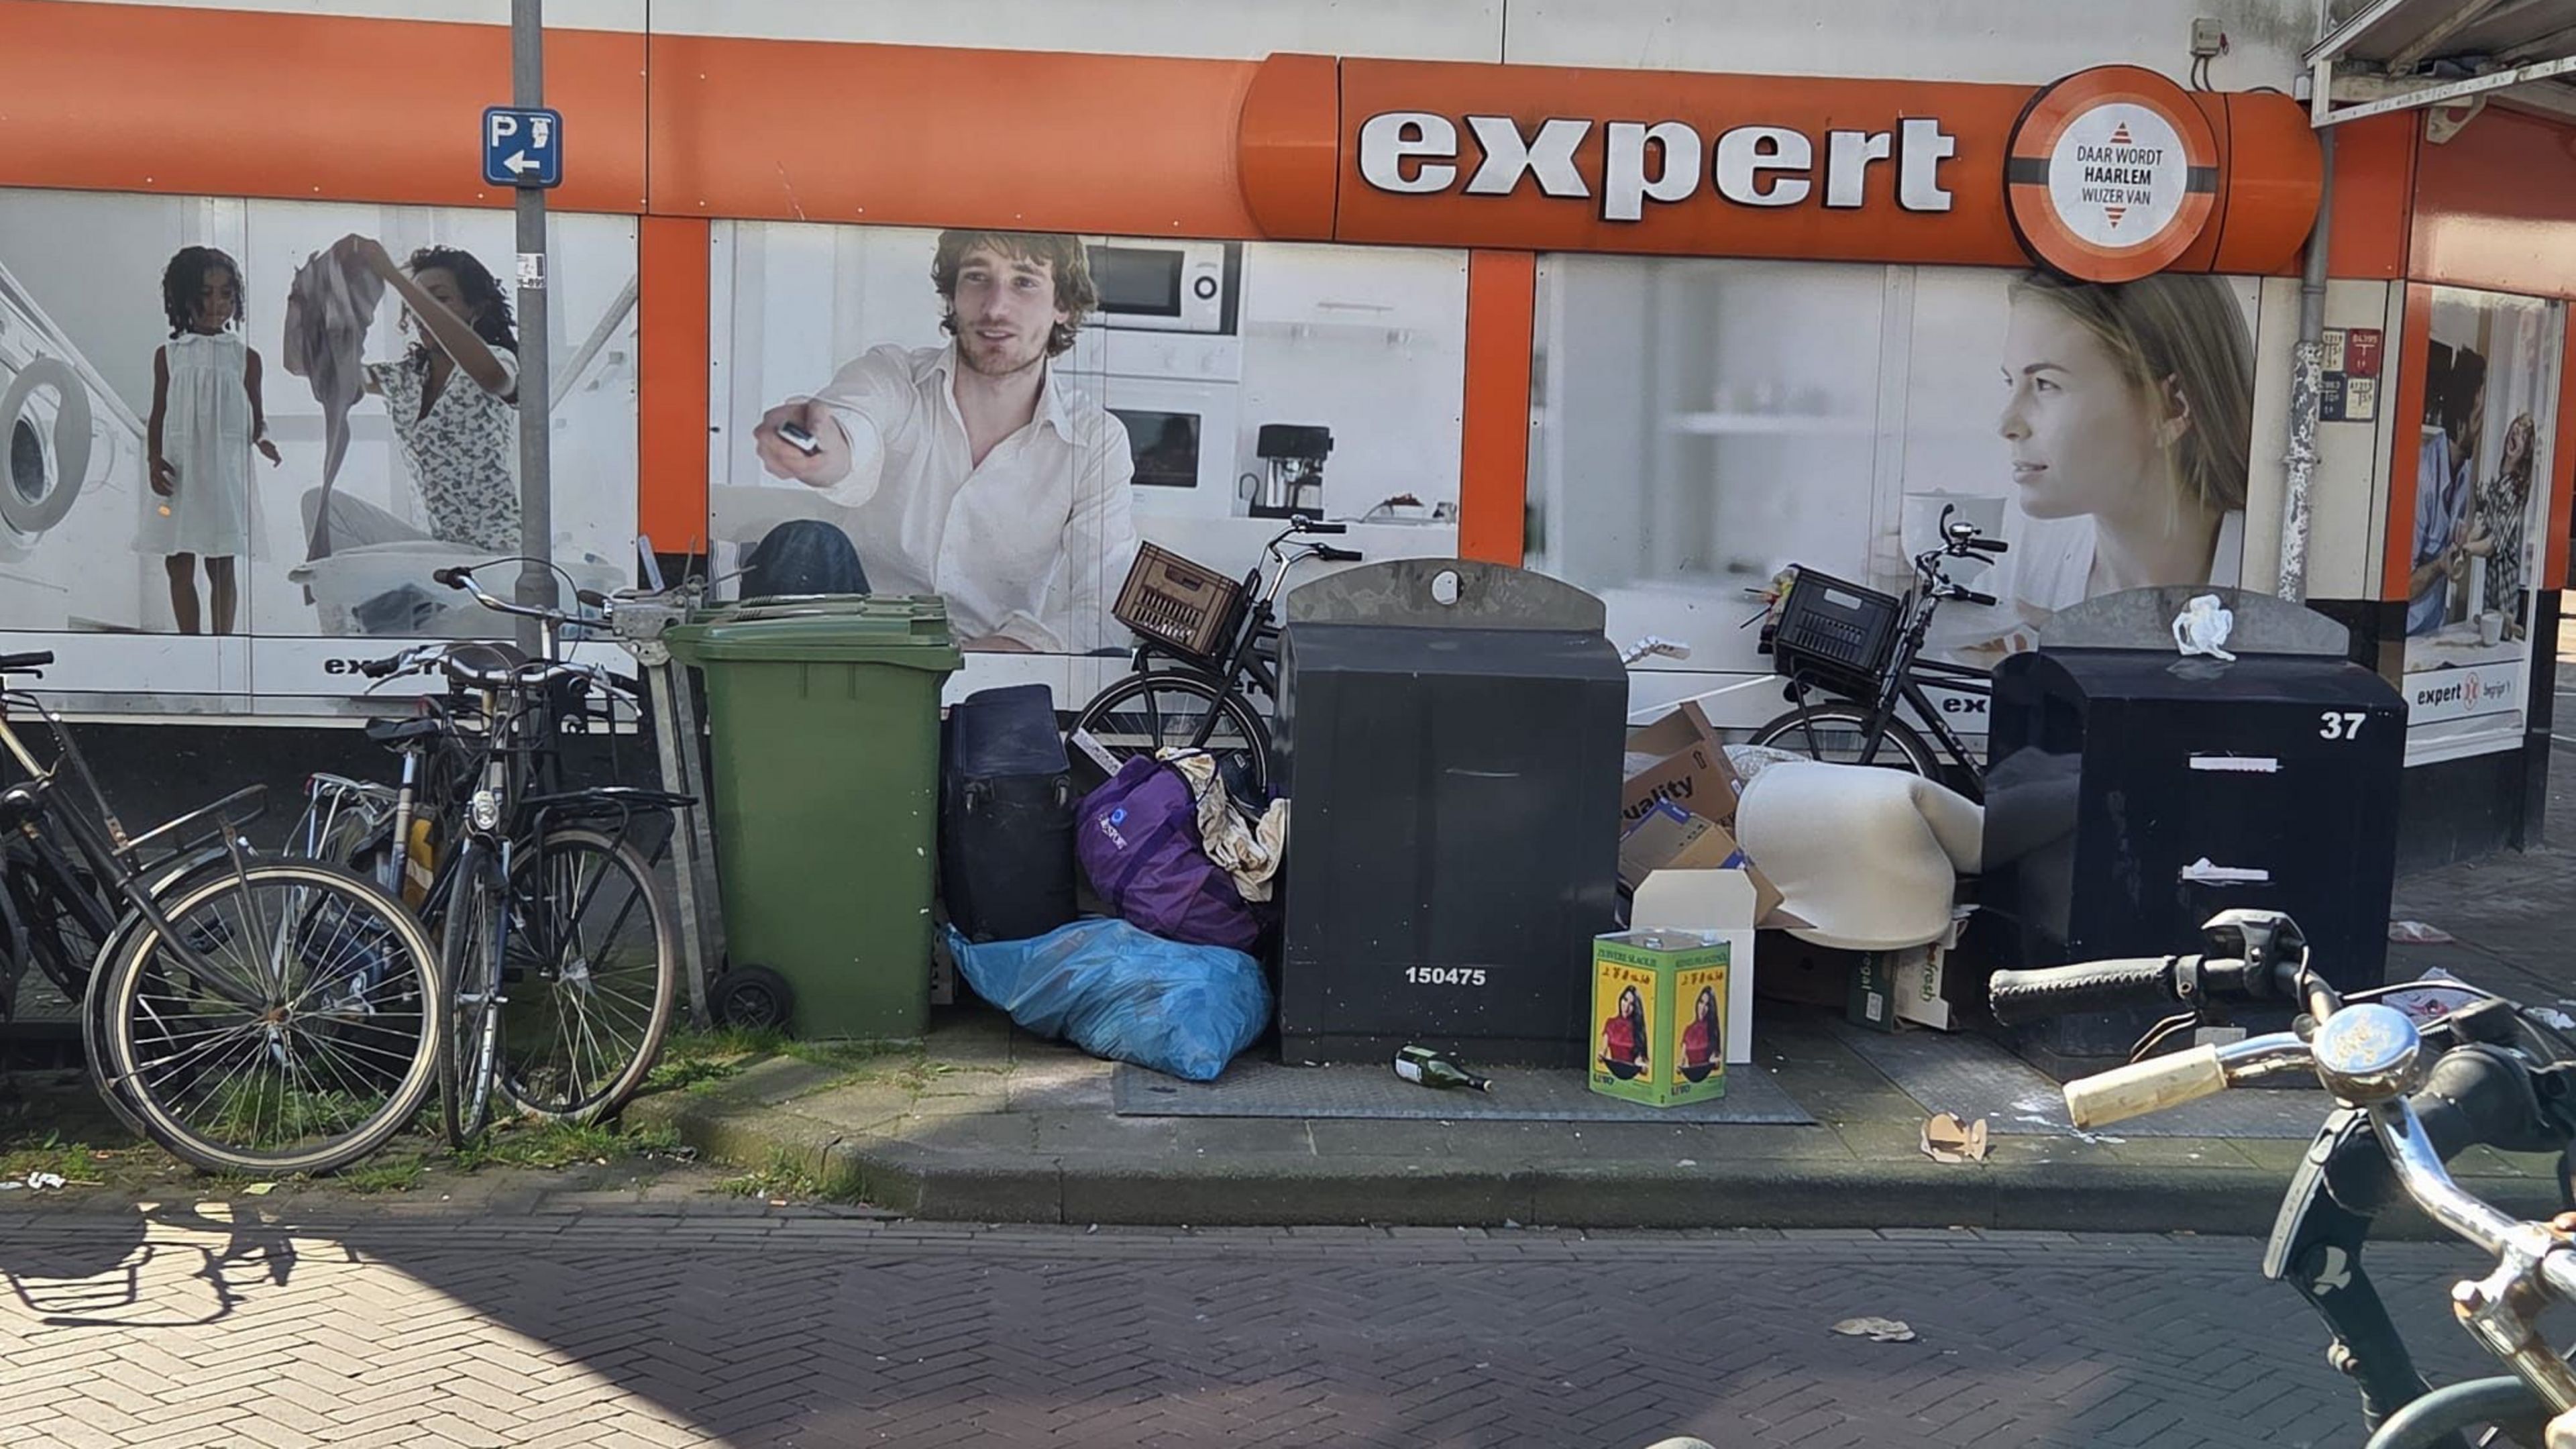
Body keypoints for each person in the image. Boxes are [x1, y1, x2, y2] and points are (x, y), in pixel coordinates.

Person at [749, 229, 1138, 653]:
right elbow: (851, 427)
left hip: (989, 677)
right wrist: (823, 451)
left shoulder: (1095, 442)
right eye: (976, 277)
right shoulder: (893, 376)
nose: (995, 307)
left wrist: (987, 656)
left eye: (1024, 281)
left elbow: (1105, 606)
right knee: (805, 543)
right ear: (953, 294)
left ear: (1062, 304)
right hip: (856, 659)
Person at [1994, 272, 2255, 622]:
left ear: (2171, 408)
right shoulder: (2020, 558)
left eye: (2045, 384)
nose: (2007, 425)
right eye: (2011, 382)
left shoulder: (2274, 572)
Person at [302, 237, 521, 559]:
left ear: (478, 307)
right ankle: (351, 611)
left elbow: (494, 379)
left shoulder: (499, 360)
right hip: (436, 550)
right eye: (415, 303)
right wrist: (316, 295)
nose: (420, 313)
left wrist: (392, 273)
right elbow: (324, 373)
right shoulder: (404, 377)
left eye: (440, 299)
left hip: (497, 553)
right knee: (321, 505)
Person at [143, 246, 281, 635]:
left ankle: (224, 645)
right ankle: (192, 644)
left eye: (226, 294)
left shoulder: (245, 358)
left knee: (220, 561)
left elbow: (258, 416)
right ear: (182, 296)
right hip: (180, 469)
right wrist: (154, 459)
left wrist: (265, 440)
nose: (216, 303)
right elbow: (159, 414)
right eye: (205, 293)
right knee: (178, 560)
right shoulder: (169, 355)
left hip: (222, 473)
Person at [2408, 347, 2486, 637]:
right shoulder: (2422, 481)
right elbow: (2400, 585)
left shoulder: (2464, 473)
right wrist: (2441, 566)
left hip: (2432, 629)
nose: (2482, 431)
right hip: (2404, 635)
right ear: (2460, 424)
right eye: (2479, 419)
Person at [2461, 411, 2536, 643]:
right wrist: (2467, 540)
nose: (2515, 433)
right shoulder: (2497, 484)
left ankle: (2509, 625)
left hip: (2505, 588)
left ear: (2525, 452)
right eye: (2514, 428)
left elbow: (2494, 545)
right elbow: (2483, 523)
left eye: (2522, 434)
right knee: (2488, 631)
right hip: (2490, 584)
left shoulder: (2514, 491)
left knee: (2500, 637)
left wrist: (2467, 549)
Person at [1599, 984, 1650, 1081]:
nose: (1626, 1007)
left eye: (1632, 1004)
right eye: (1625, 1000)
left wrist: (1641, 1066)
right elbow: (1603, 1051)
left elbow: (1639, 1059)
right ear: (1621, 999)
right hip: (1614, 1071)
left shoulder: (1638, 1029)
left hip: (1630, 1075)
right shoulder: (1611, 1023)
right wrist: (1601, 1056)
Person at [1678, 985, 1721, 1082]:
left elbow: (1717, 1061)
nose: (1703, 1008)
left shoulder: (1713, 1031)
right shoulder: (1688, 1030)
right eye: (1701, 1002)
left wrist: (1714, 1062)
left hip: (1705, 1074)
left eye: (1707, 1005)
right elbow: (1682, 1061)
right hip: (1690, 1075)